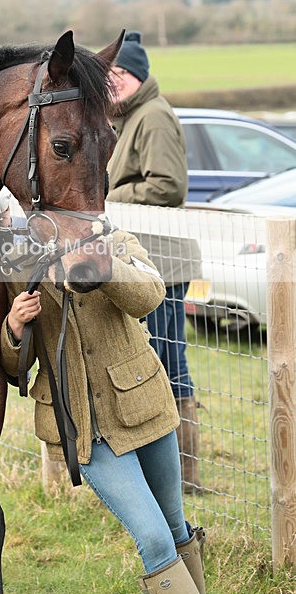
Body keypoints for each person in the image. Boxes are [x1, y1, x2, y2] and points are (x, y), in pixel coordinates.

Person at [0, 228, 220, 594]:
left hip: (143, 403)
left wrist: (105, 266)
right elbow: (14, 367)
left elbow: (151, 295)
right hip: (81, 428)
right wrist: (13, 326)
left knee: (175, 527)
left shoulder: (115, 241)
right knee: (153, 536)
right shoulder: (17, 263)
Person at [106, 31, 204, 494]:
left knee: (165, 363)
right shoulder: (127, 118)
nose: (110, 85)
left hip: (163, 263)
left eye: (116, 76)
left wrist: (110, 198)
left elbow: (168, 186)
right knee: (157, 360)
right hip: (143, 260)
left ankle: (184, 475)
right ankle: (169, 474)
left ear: (135, 77)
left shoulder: (154, 117)